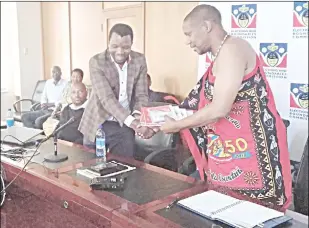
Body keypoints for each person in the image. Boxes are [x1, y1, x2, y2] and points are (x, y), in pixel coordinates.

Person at [160, 5, 292, 211]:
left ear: (206, 26)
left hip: (253, 157)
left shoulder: (233, 49)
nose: (187, 41)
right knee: (223, 211)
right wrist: (153, 123)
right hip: (228, 154)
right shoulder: (220, 56)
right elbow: (194, 104)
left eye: (189, 34)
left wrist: (177, 125)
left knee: (252, 215)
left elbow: (220, 108)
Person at [79, 23, 155, 157]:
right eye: (114, 46)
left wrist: (138, 116)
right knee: (91, 169)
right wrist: (133, 123)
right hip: (98, 123)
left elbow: (142, 95)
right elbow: (106, 99)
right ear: (108, 43)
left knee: (124, 169)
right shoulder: (97, 62)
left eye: (125, 47)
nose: (120, 52)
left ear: (131, 44)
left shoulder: (139, 60)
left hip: (123, 126)